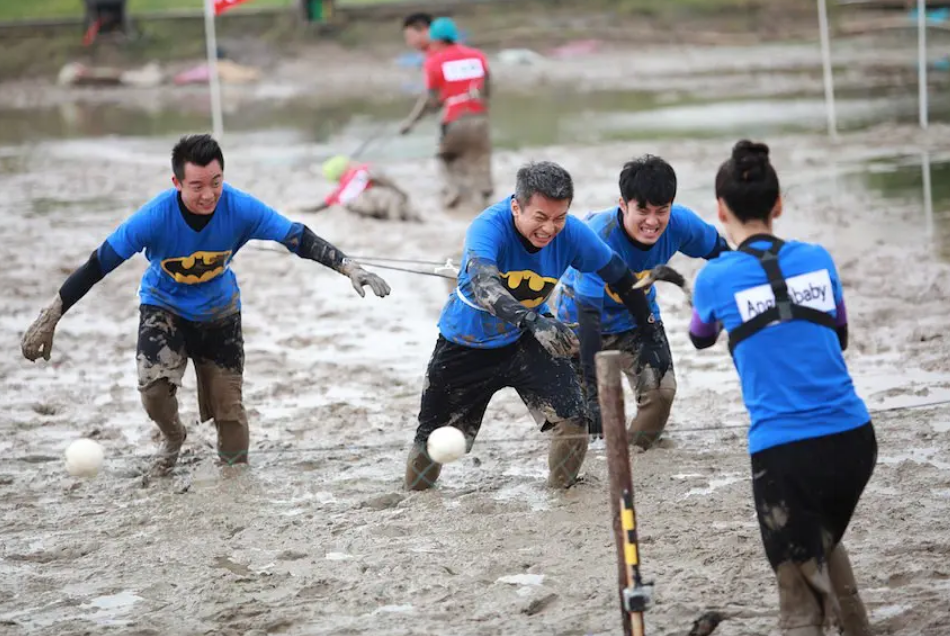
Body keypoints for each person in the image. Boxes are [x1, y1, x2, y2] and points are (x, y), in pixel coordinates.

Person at [20, 134, 391, 475]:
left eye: (216, 183)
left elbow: (296, 237)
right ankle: (174, 436)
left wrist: (347, 267)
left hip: (220, 313)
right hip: (163, 308)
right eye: (196, 186)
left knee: (229, 411)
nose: (208, 195)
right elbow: (98, 263)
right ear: (177, 183)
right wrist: (52, 315)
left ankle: (234, 477)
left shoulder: (240, 207)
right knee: (153, 393)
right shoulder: (153, 217)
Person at [689, 140, 875, 636]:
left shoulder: (714, 277)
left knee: (797, 599)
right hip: (855, 441)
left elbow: (700, 337)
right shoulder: (818, 258)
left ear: (720, 210)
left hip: (786, 455)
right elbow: (840, 335)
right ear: (778, 205)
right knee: (821, 540)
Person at [404, 161, 668, 492]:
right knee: (433, 439)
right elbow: (486, 288)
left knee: (573, 418)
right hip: (465, 343)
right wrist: (533, 319)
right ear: (516, 206)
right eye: (540, 218)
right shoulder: (488, 227)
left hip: (526, 338)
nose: (549, 229)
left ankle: (563, 493)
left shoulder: (571, 233)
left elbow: (618, 274)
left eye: (559, 218)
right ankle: (416, 497)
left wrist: (649, 328)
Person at [552, 155, 730, 448]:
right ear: (623, 205)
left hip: (638, 317)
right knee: (578, 419)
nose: (652, 221)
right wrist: (596, 396)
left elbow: (726, 255)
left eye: (662, 211)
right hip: (581, 322)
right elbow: (589, 318)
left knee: (662, 393)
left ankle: (632, 457)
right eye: (642, 210)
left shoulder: (682, 224)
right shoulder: (599, 236)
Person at [398, 17, 493, 212]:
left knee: (446, 157)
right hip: (479, 116)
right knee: (480, 156)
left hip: (454, 118)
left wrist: (411, 122)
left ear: (435, 38)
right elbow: (488, 86)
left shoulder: (434, 62)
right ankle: (484, 190)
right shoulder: (477, 56)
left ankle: (454, 191)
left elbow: (431, 100)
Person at [307, 155, 420, 222]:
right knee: (405, 215)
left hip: (359, 208)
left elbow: (321, 206)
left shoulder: (338, 192)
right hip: (381, 201)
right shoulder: (360, 170)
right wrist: (401, 192)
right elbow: (383, 179)